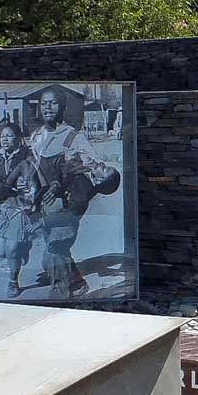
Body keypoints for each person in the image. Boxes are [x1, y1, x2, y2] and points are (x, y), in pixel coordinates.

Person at [27, 87, 120, 300]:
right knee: (52, 250)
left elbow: (92, 170)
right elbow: (33, 167)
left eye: (53, 103)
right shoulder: (36, 136)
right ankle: (77, 283)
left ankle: (59, 294)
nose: (48, 107)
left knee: (55, 250)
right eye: (44, 103)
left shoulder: (73, 138)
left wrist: (65, 186)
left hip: (65, 204)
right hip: (42, 200)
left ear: (62, 107)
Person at [0, 123, 35, 299]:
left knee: (11, 250)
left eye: (9, 136)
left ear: (18, 138)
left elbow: (32, 177)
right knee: (2, 252)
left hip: (19, 207)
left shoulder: (27, 155)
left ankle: (13, 282)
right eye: (2, 136)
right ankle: (22, 248)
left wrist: (26, 184)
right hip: (1, 206)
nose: (4, 139)